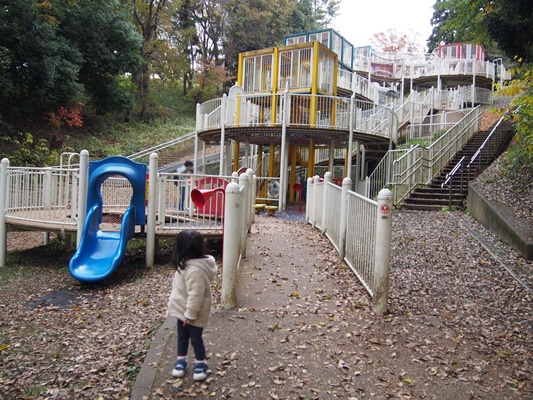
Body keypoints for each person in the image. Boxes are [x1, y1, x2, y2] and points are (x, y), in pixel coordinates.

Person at [166, 229, 218, 381]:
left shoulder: (194, 271)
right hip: (182, 311)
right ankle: (181, 360)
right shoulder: (186, 264)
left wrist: (190, 314)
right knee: (182, 337)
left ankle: (201, 363)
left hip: (192, 314)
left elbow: (196, 296)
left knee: (196, 339)